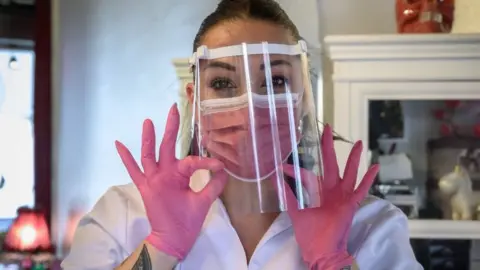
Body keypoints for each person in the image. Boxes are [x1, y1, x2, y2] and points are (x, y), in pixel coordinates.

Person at [61, 0, 423, 269]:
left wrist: (335, 261)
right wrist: (160, 247)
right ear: (196, 100)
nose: (250, 108)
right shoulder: (123, 214)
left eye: (276, 81)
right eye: (222, 83)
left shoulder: (369, 226)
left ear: (300, 98)